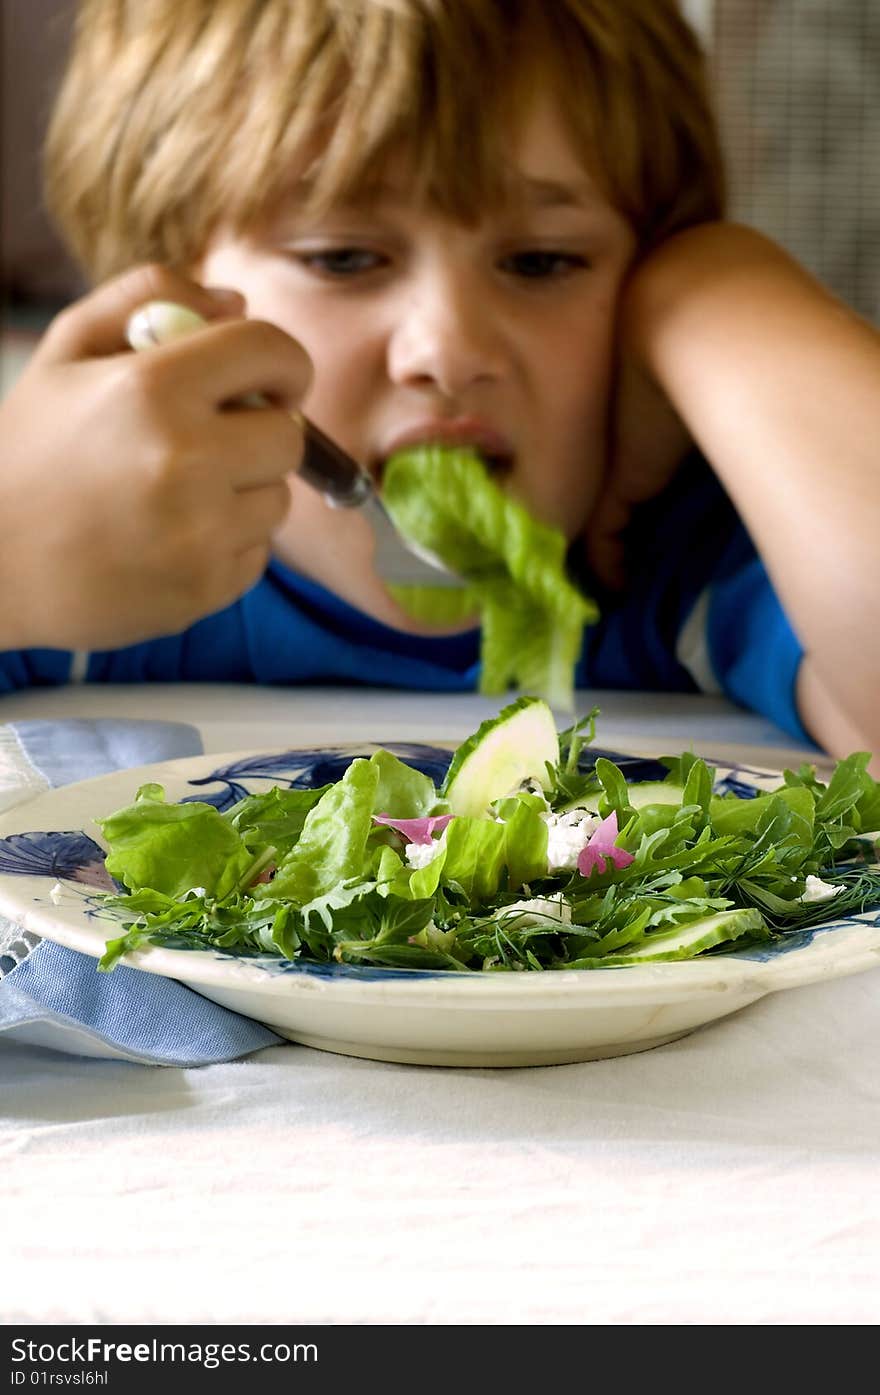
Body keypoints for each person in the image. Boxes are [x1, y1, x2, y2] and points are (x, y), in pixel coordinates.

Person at [1, 0, 878, 768]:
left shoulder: (689, 565)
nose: (448, 352)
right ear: (169, 312)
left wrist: (711, 288)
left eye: (542, 261)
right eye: (344, 257)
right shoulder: (96, 560)